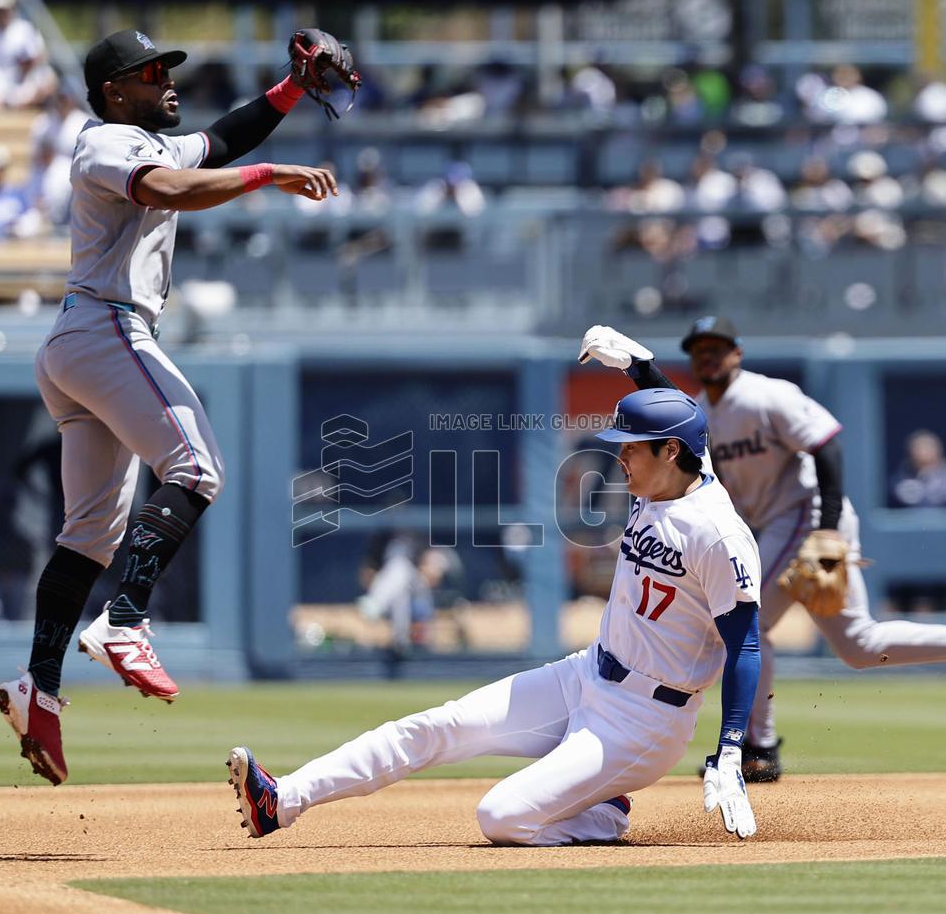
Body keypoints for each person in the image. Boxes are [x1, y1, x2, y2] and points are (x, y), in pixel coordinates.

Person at [0, 28, 341, 786]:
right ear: (115, 89)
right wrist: (271, 175)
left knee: (88, 536)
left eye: (167, 68)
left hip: (83, 342)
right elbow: (171, 189)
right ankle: (124, 622)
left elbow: (218, 140)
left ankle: (36, 687)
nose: (166, 80)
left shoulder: (150, 135)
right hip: (105, 325)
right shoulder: (106, 141)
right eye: (150, 72)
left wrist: (289, 89)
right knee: (198, 467)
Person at [227, 386, 762, 846]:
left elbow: (745, 645)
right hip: (586, 674)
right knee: (438, 726)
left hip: (646, 720)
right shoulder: (668, 474)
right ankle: (281, 800)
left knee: (501, 817)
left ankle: (602, 812)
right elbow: (680, 420)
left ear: (671, 452)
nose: (620, 459)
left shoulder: (717, 534)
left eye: (632, 448)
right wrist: (641, 368)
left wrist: (731, 747)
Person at [588, 318, 946, 782]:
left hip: (807, 516)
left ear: (738, 353)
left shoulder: (766, 395)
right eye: (700, 351)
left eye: (718, 348)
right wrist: (640, 369)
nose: (708, 357)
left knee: (742, 624)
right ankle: (759, 745)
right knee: (860, 646)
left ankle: (758, 748)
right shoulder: (701, 410)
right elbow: (673, 409)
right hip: (780, 525)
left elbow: (827, 447)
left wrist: (830, 530)